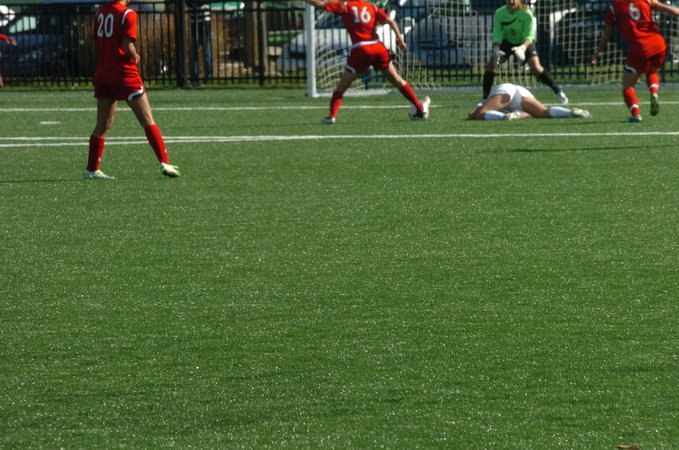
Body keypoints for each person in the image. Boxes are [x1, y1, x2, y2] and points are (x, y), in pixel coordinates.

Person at [85, 0, 180, 180]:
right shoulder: (127, 14)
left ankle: (91, 169)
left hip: (103, 73)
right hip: (123, 74)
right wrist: (134, 55)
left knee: (103, 124)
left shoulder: (101, 13)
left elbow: (98, 41)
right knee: (147, 120)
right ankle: (164, 162)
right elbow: (127, 45)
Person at [302, 0, 430, 124]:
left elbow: (321, 4)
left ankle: (331, 116)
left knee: (341, 87)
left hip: (360, 49)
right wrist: (400, 41)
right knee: (398, 80)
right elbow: (391, 21)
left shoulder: (345, 6)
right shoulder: (372, 7)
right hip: (377, 47)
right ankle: (419, 107)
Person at [591, 0, 679, 122]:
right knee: (652, 72)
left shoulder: (615, 7)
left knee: (627, 86)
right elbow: (672, 10)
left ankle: (635, 114)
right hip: (658, 44)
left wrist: (599, 51)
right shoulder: (646, 0)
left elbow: (607, 34)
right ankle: (654, 92)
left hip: (640, 48)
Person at [483, 0, 568, 105]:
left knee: (536, 67)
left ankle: (558, 91)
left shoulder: (526, 13)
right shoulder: (500, 13)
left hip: (524, 43)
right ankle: (485, 98)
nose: (511, 1)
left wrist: (522, 48)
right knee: (491, 65)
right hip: (507, 42)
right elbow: (497, 32)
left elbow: (529, 34)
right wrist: (496, 48)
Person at [468, 83, 591, 121]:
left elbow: (472, 113)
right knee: (542, 112)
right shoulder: (517, 113)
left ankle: (503, 117)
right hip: (521, 92)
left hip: (506, 89)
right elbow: (529, 114)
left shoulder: (488, 100)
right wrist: (518, 116)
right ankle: (570, 112)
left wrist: (474, 113)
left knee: (479, 114)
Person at [188, 0, 213, 83]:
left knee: (207, 54)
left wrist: (197, 4)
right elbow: (188, 3)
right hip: (194, 26)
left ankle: (208, 78)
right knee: (193, 55)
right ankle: (195, 78)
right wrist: (194, 4)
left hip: (205, 26)